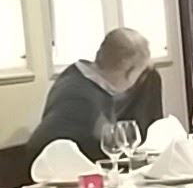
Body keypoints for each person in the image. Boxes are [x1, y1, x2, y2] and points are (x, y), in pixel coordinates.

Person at [27, 28, 155, 161]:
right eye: (140, 72)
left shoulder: (76, 74)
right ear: (128, 70)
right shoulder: (83, 99)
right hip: (54, 167)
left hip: (58, 161)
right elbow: (113, 146)